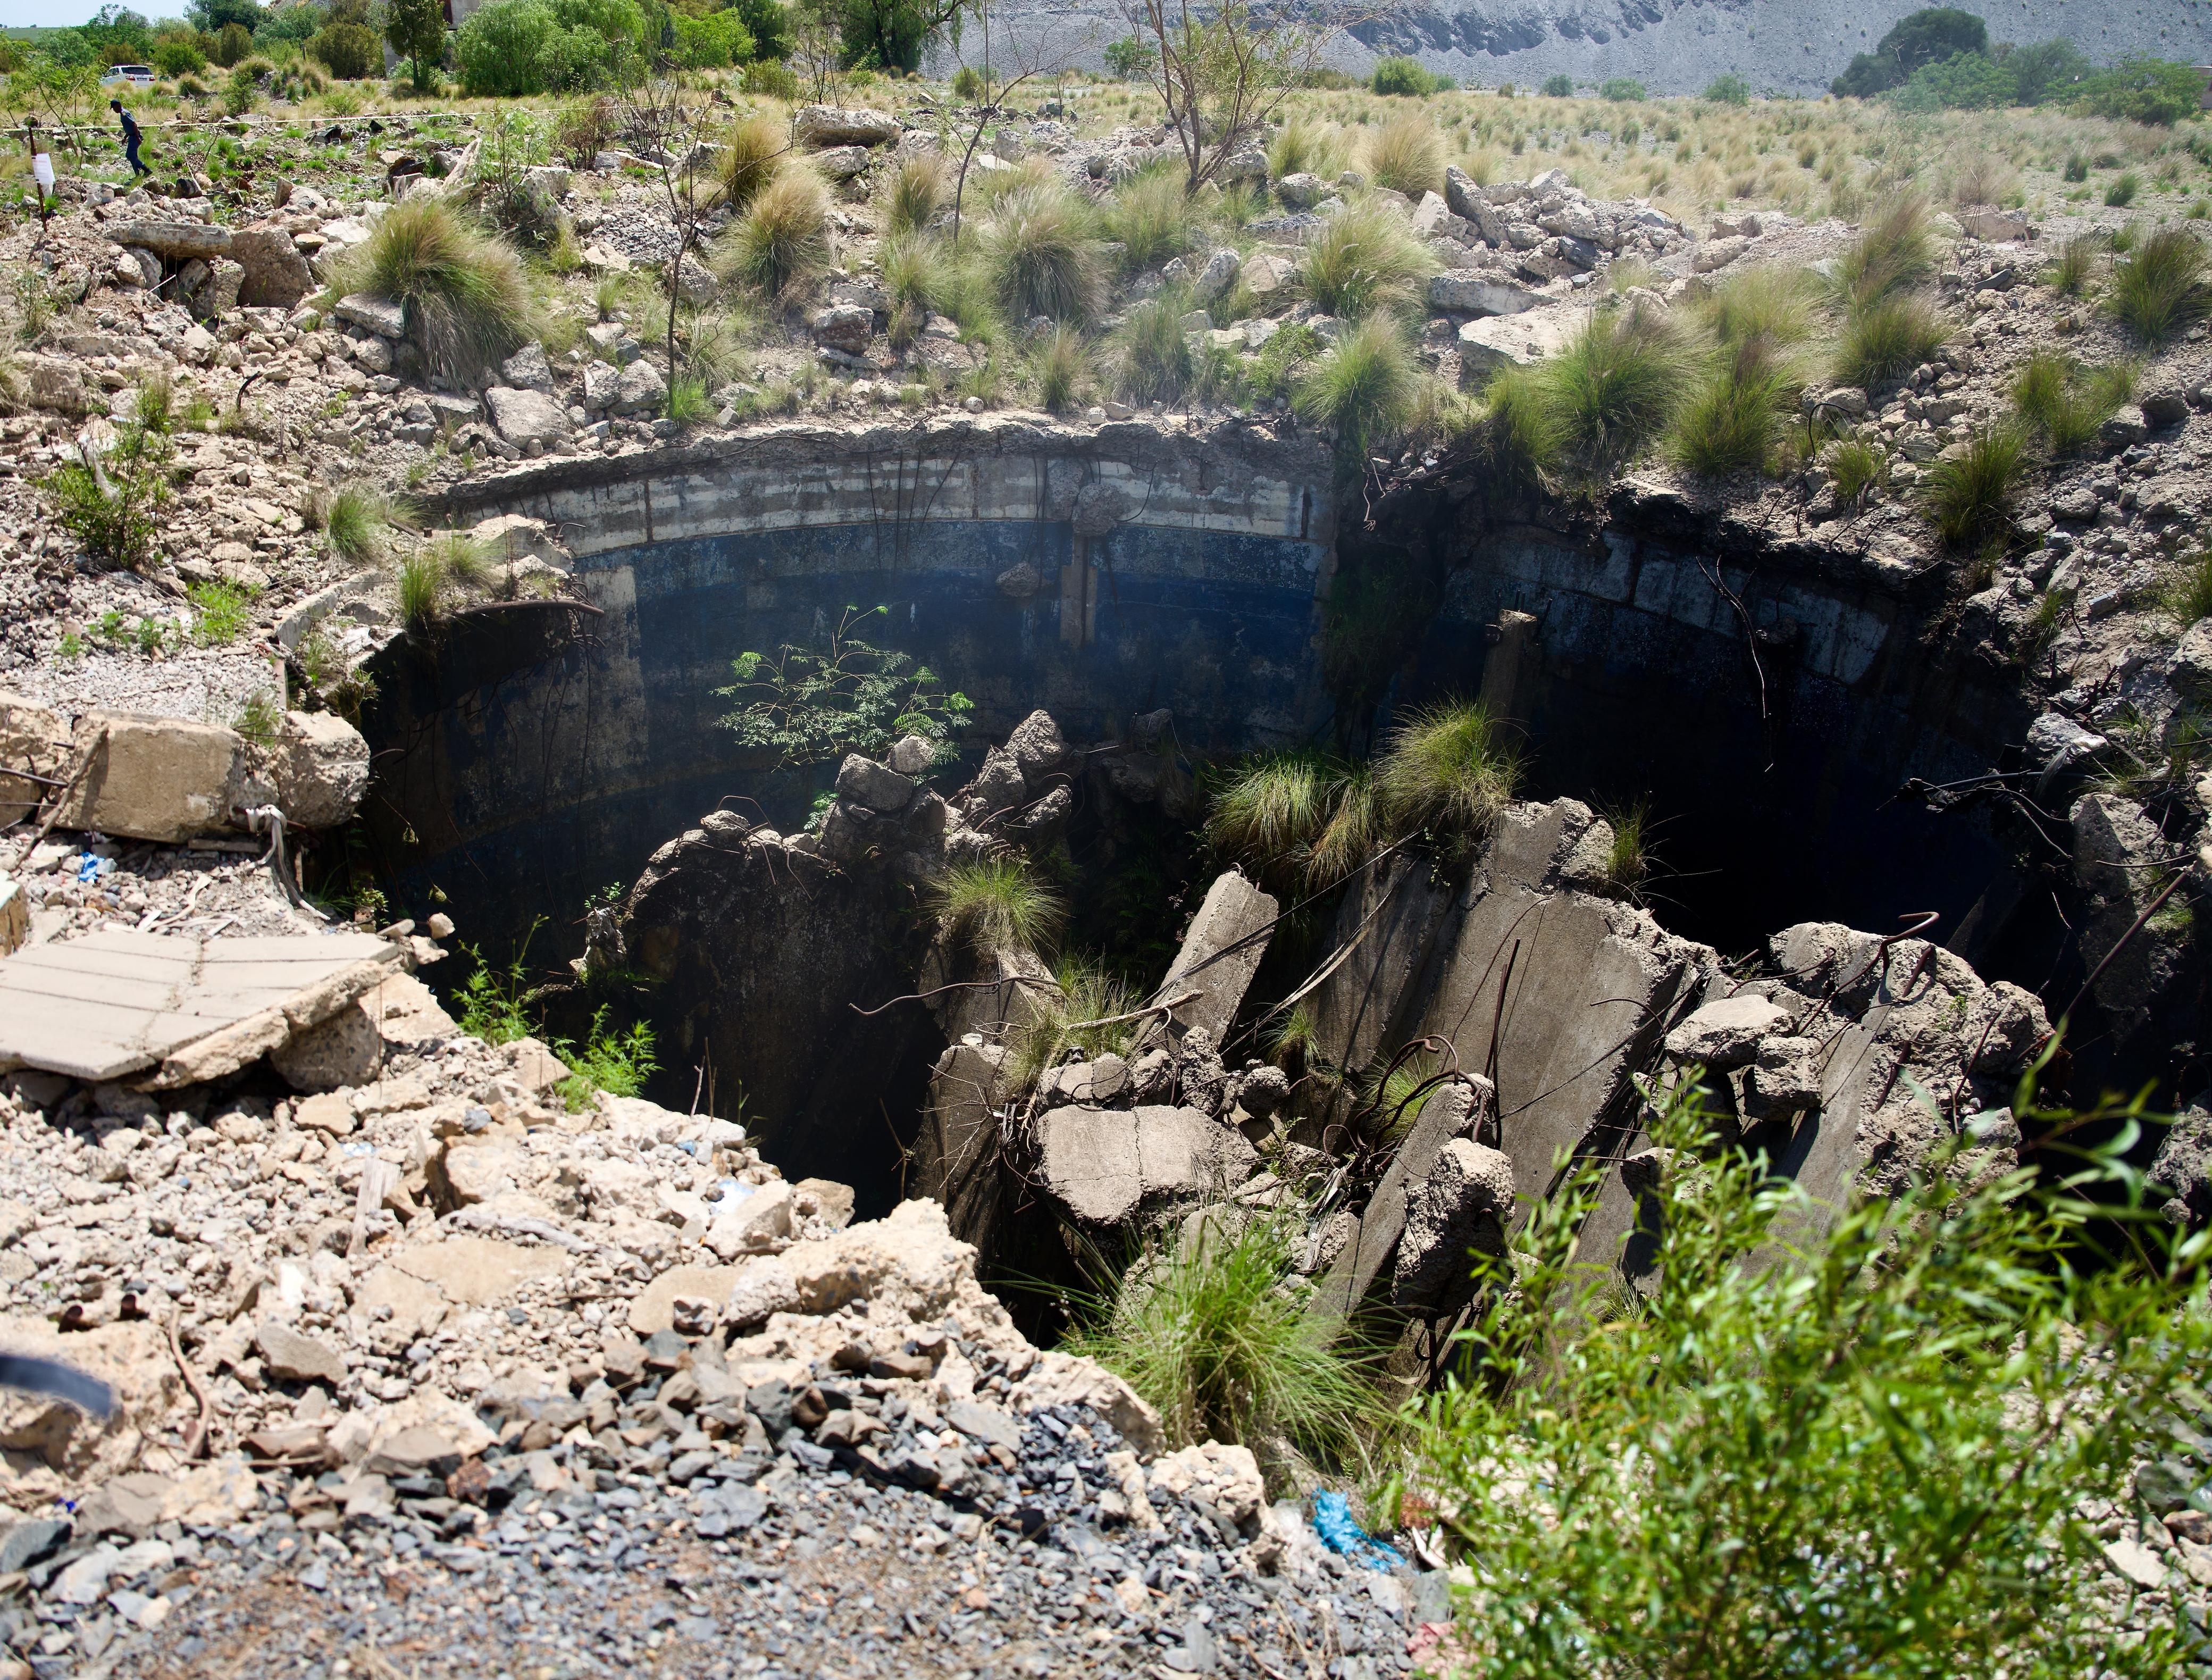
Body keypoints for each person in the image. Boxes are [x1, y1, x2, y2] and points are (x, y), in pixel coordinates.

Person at [111, 98, 149, 178]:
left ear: (118, 106)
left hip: (134, 137)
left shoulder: (124, 113)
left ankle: (146, 169)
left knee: (129, 155)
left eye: (114, 108)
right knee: (133, 157)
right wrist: (125, 137)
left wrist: (138, 137)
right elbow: (129, 128)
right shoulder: (122, 114)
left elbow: (134, 125)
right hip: (132, 136)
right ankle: (137, 175)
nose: (114, 110)